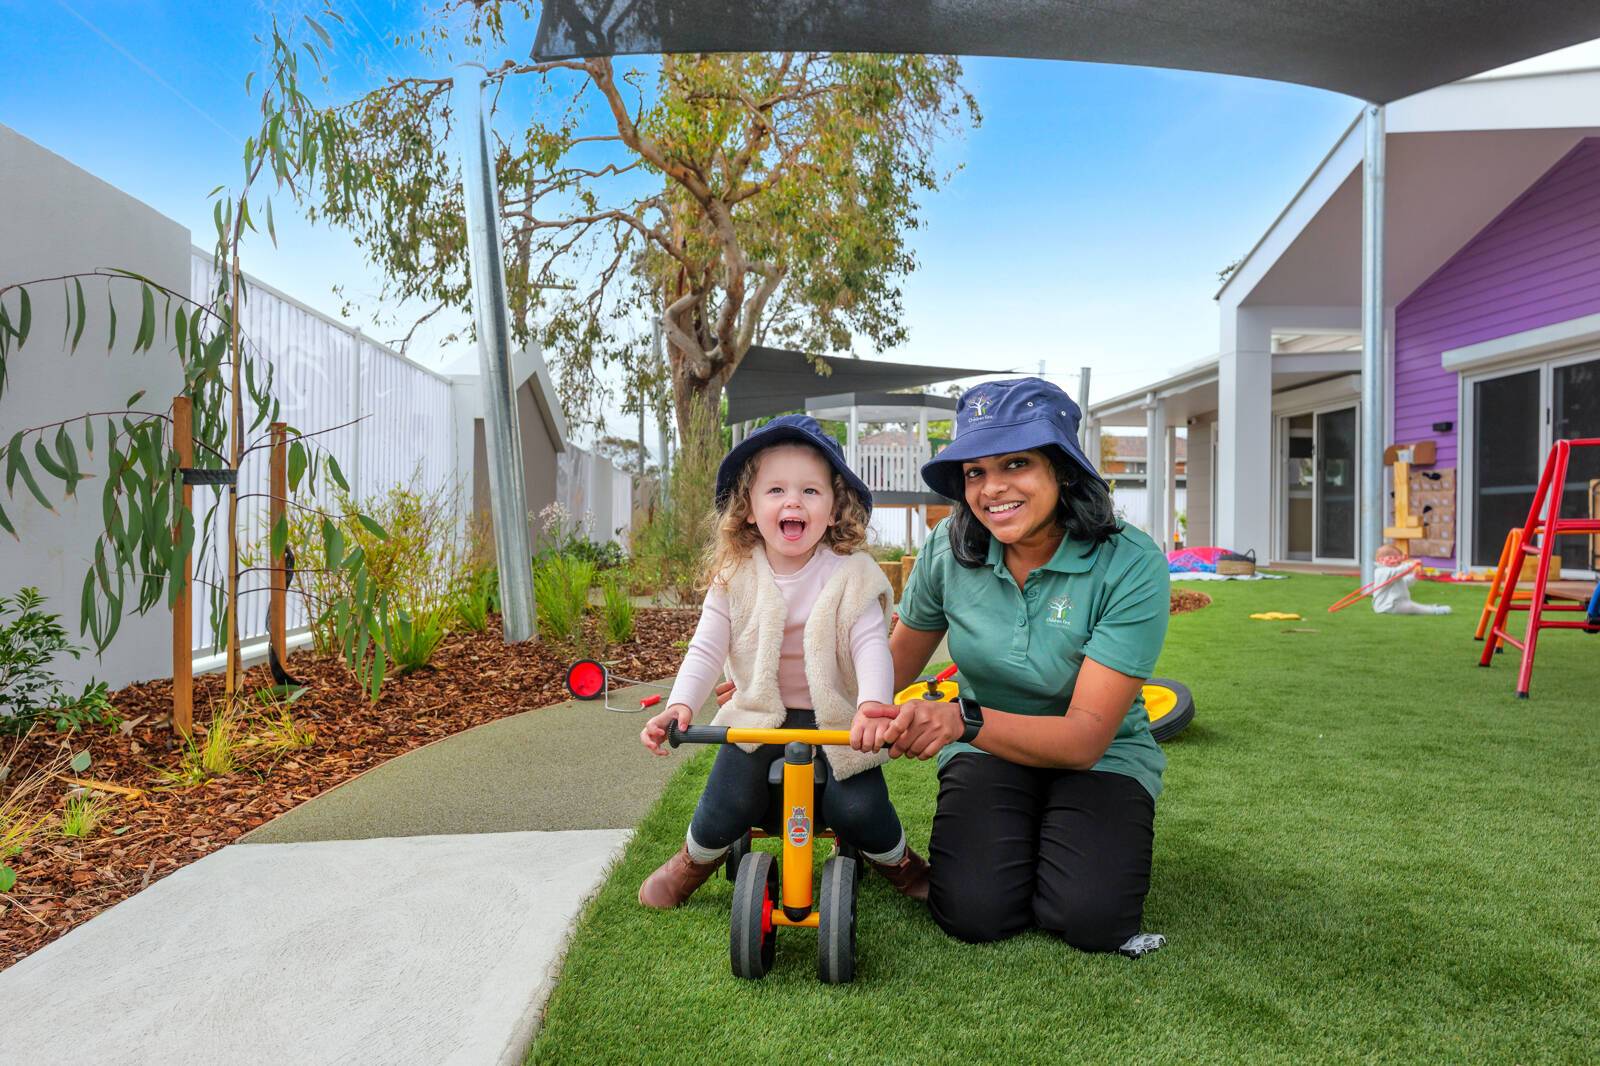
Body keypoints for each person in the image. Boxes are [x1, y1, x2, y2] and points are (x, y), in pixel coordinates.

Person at [872, 376, 1171, 953]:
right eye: (975, 472)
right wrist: (780, 683)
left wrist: (961, 721)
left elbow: (1085, 738)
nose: (992, 489)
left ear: (1061, 469)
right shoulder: (947, 549)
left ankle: (1060, 836)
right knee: (972, 912)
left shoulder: (1132, 564)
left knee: (1090, 919)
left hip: (1102, 757)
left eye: (1015, 463)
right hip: (988, 752)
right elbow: (889, 669)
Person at [636, 415, 931, 909]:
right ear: (749, 509)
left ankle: (900, 864)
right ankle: (693, 859)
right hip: (758, 718)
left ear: (835, 509)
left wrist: (874, 706)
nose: (793, 501)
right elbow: (707, 646)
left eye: (811, 491)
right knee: (727, 802)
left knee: (859, 809)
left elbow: (871, 644)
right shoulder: (735, 574)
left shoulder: (851, 574)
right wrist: (679, 705)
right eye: (775, 490)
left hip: (836, 721)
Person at [1371, 544, 1451, 615]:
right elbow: (1397, 571)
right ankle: (1434, 611)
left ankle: (1432, 608)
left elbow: (1404, 583)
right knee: (1411, 607)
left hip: (1397, 602)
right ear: (1380, 560)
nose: (1395, 560)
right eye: (1391, 558)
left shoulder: (1392, 571)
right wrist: (1412, 564)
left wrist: (1415, 576)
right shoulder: (1381, 572)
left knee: (1412, 605)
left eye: (1397, 558)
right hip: (1387, 605)